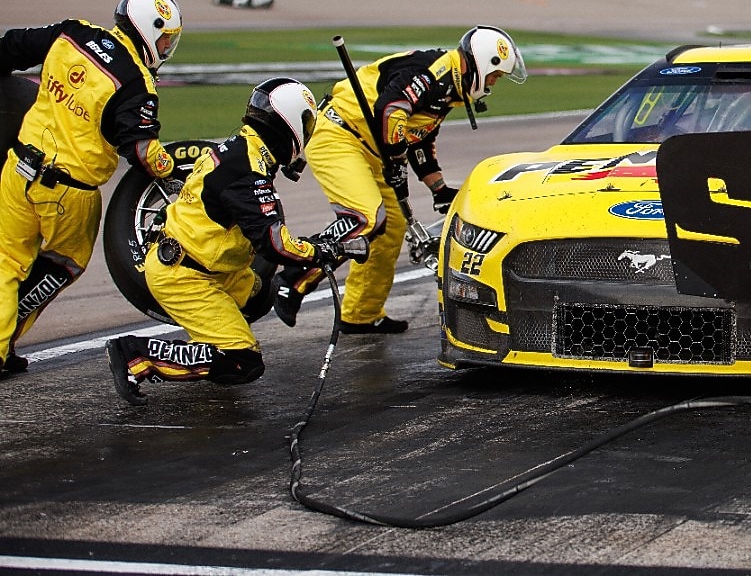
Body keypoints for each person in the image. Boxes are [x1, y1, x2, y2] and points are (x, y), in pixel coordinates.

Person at [105, 78, 368, 405]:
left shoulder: (245, 147)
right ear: (288, 122)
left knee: (261, 296)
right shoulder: (248, 170)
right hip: (187, 275)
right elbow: (274, 244)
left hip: (210, 264)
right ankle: (136, 355)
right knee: (243, 361)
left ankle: (210, 344)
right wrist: (322, 250)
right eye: (305, 123)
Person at [273, 26, 527, 334]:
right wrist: (395, 159)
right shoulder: (432, 73)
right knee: (366, 218)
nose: (493, 84)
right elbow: (391, 109)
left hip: (373, 149)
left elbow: (420, 140)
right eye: (495, 76)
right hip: (340, 134)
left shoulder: (451, 88)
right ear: (484, 63)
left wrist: (438, 189)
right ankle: (294, 277)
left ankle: (360, 314)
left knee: (390, 229)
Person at [0, 0, 182, 379]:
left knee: (6, 262)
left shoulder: (73, 32)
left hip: (18, 168)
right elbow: (142, 151)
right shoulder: (136, 83)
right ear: (148, 31)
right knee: (65, 264)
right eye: (165, 39)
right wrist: (174, 168)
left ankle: (2, 346)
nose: (167, 48)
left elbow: (12, 46)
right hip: (69, 192)